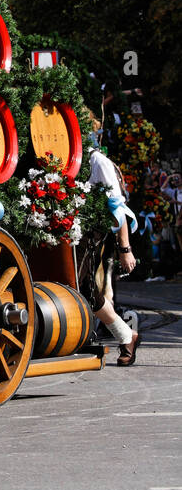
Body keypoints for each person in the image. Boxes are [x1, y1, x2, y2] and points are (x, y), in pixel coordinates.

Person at [85, 125, 141, 366]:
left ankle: (126, 336)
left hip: (89, 239)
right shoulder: (60, 159)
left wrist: (125, 250)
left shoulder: (98, 162)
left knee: (88, 290)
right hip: (64, 233)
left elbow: (118, 210)